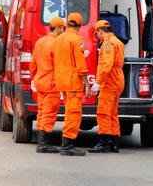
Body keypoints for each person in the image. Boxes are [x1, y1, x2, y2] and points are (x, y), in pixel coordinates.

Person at [53, 13, 92, 156]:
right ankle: (67, 145)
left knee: (69, 111)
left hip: (62, 81)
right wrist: (87, 83)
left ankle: (66, 144)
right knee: (73, 113)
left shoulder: (58, 39)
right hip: (73, 82)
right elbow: (80, 65)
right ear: (80, 26)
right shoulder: (76, 40)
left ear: (67, 24)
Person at [29, 17, 66, 153]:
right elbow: (60, 65)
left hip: (40, 82)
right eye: (63, 28)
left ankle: (41, 141)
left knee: (41, 112)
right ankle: (43, 144)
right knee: (49, 114)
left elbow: (33, 63)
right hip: (52, 84)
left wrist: (34, 78)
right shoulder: (57, 44)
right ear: (59, 28)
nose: (64, 31)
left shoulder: (40, 41)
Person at [89, 20, 125, 153]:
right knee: (113, 113)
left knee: (103, 113)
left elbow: (106, 65)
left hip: (110, 81)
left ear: (100, 31)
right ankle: (114, 142)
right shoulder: (118, 41)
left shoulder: (108, 43)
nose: (97, 36)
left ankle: (103, 143)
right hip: (118, 80)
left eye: (97, 33)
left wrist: (98, 82)